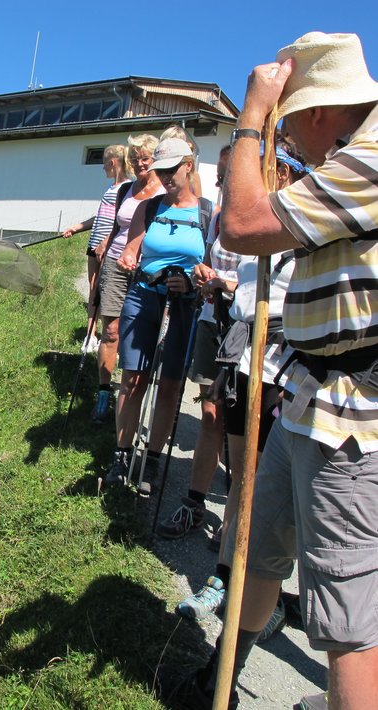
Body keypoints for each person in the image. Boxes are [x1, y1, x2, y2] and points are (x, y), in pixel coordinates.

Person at [170, 32, 378, 710]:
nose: (287, 142)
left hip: (352, 423)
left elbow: (243, 223)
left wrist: (253, 116)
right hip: (306, 398)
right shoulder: (345, 160)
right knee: (259, 548)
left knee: (346, 620)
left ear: (317, 111)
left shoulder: (370, 161)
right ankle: (221, 678)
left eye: (291, 125)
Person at [174, 140, 310, 631]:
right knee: (242, 475)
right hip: (245, 357)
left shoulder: (307, 226)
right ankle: (226, 576)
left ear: (287, 175)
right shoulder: (259, 232)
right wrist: (224, 289)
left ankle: (266, 592)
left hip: (285, 369)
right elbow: (248, 291)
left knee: (269, 484)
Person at [106, 138, 211, 492]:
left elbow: (210, 267)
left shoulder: (208, 214)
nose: (164, 177)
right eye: (160, 170)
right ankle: (121, 455)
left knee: (169, 387)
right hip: (144, 297)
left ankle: (152, 460)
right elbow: (131, 250)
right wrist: (127, 259)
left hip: (183, 306)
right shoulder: (148, 209)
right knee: (132, 380)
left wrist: (193, 283)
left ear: (189, 166)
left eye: (171, 170)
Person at [157, 145, 239, 538]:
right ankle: (194, 503)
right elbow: (207, 264)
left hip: (243, 329)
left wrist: (227, 285)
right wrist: (198, 280)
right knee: (210, 414)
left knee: (237, 425)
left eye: (227, 175)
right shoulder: (219, 218)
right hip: (211, 322)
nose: (220, 182)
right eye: (220, 176)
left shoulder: (266, 215)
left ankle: (237, 516)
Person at [86, 135, 164, 423]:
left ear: (157, 159)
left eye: (145, 157)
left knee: (140, 336)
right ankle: (103, 394)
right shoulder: (125, 190)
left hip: (147, 269)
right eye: (135, 158)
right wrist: (106, 241)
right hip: (116, 266)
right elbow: (119, 224)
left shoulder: (165, 192)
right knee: (112, 331)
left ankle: (132, 395)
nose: (140, 163)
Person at [61, 145, 130, 403]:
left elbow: (119, 222)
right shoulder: (111, 188)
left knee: (103, 294)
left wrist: (106, 245)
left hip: (107, 248)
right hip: (95, 244)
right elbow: (100, 217)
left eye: (104, 161)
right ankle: (91, 336)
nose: (102, 166)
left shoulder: (127, 188)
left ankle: (101, 339)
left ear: (114, 161)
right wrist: (77, 227)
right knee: (93, 290)